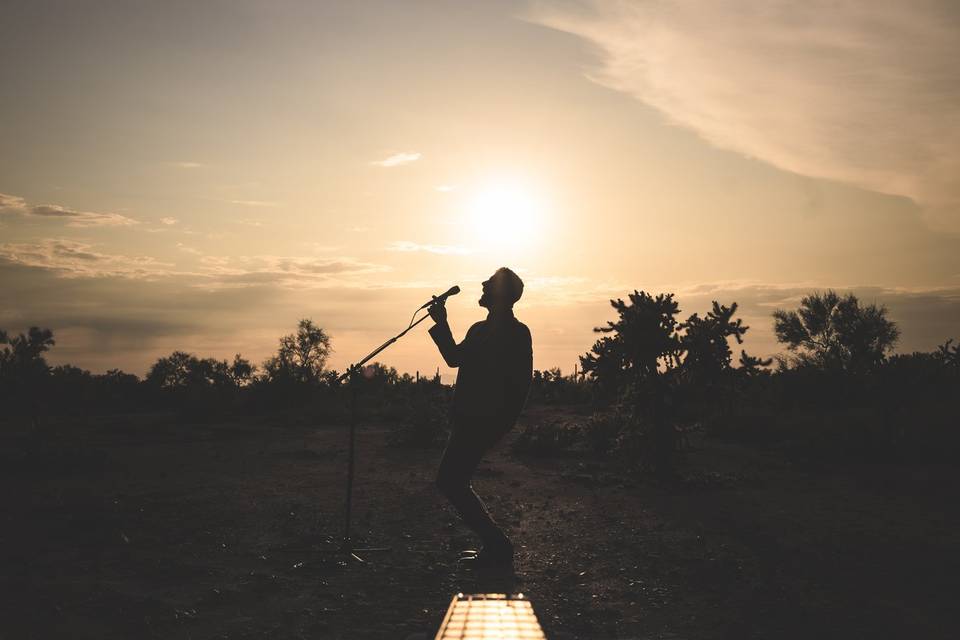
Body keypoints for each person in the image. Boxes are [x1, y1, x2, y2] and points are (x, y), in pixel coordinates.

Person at [428, 267, 533, 568]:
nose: (483, 284)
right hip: (467, 418)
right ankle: (496, 546)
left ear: (500, 294)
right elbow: (454, 358)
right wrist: (442, 324)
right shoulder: (479, 330)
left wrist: (503, 422)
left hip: (483, 421)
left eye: (490, 283)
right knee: (452, 481)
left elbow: (521, 383)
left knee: (450, 481)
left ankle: (498, 546)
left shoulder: (517, 333)